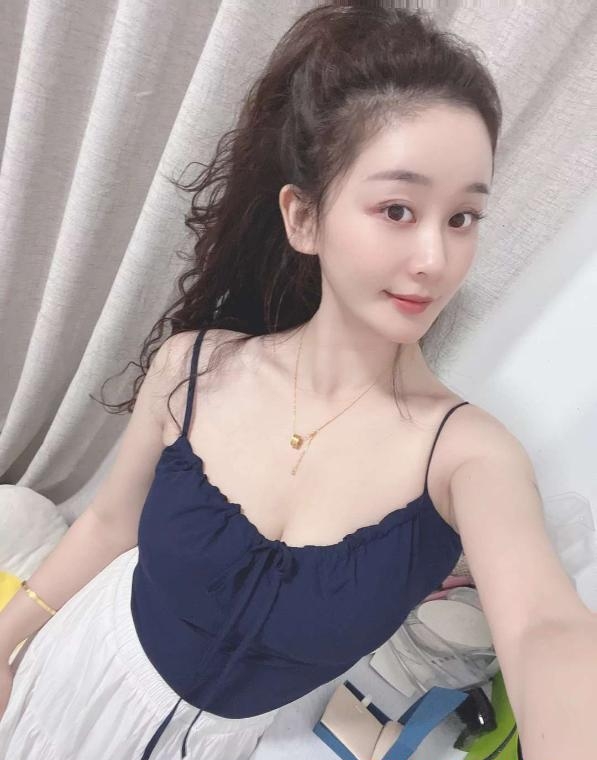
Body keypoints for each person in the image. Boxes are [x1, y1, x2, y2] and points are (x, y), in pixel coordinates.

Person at [1, 4, 595, 760]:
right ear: (303, 218)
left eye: (462, 218)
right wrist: (7, 639)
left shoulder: (468, 457)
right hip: (78, 675)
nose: (435, 259)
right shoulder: (192, 367)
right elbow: (109, 524)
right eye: (397, 209)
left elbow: (546, 626)